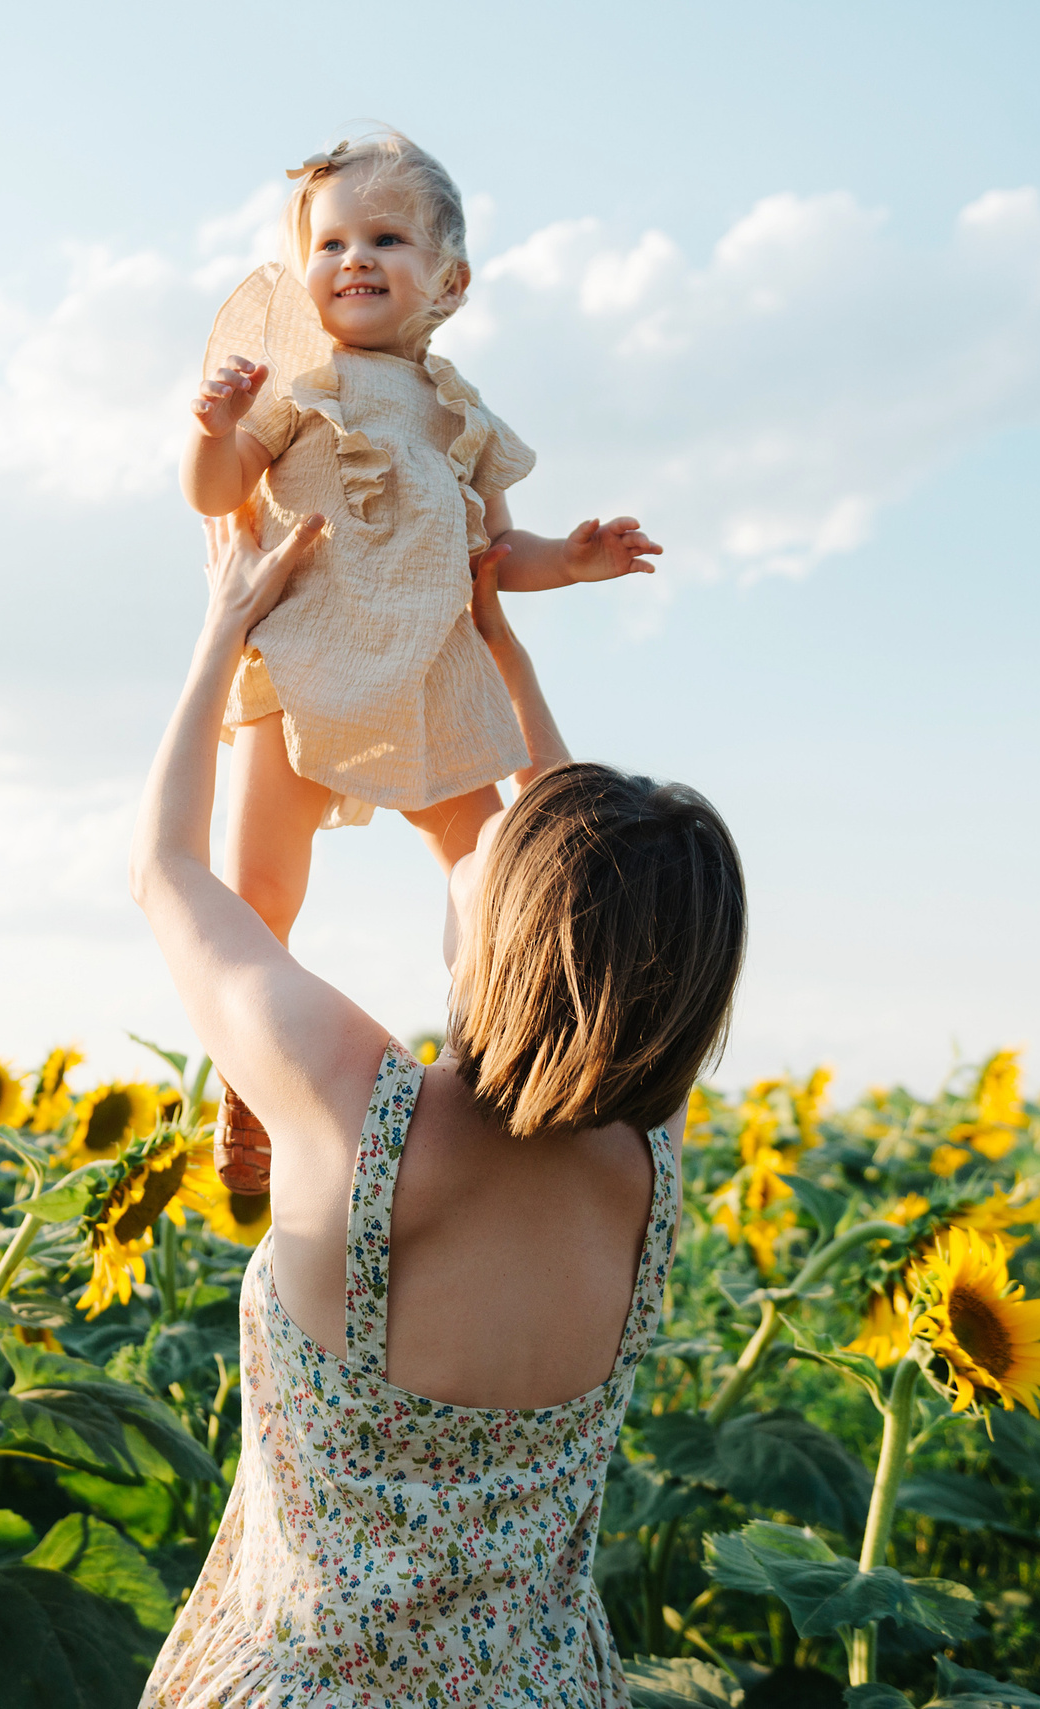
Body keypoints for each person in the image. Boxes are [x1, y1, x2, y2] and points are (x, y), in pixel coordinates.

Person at [129, 505, 748, 1705]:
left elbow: (168, 872)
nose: (462, 851)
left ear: (518, 933)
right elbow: (594, 898)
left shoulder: (357, 1105)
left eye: (487, 854)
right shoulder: (646, 1156)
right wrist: (500, 658)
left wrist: (223, 628)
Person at [182, 129, 661, 1174]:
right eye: (330, 242)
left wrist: (571, 561)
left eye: (386, 238)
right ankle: (251, 1085)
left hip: (434, 669)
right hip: (303, 661)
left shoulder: (460, 413)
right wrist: (214, 432)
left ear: (449, 280)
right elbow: (217, 496)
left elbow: (495, 549)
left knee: (489, 871)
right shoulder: (294, 383)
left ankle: (489, 1051)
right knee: (258, 886)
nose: (353, 259)